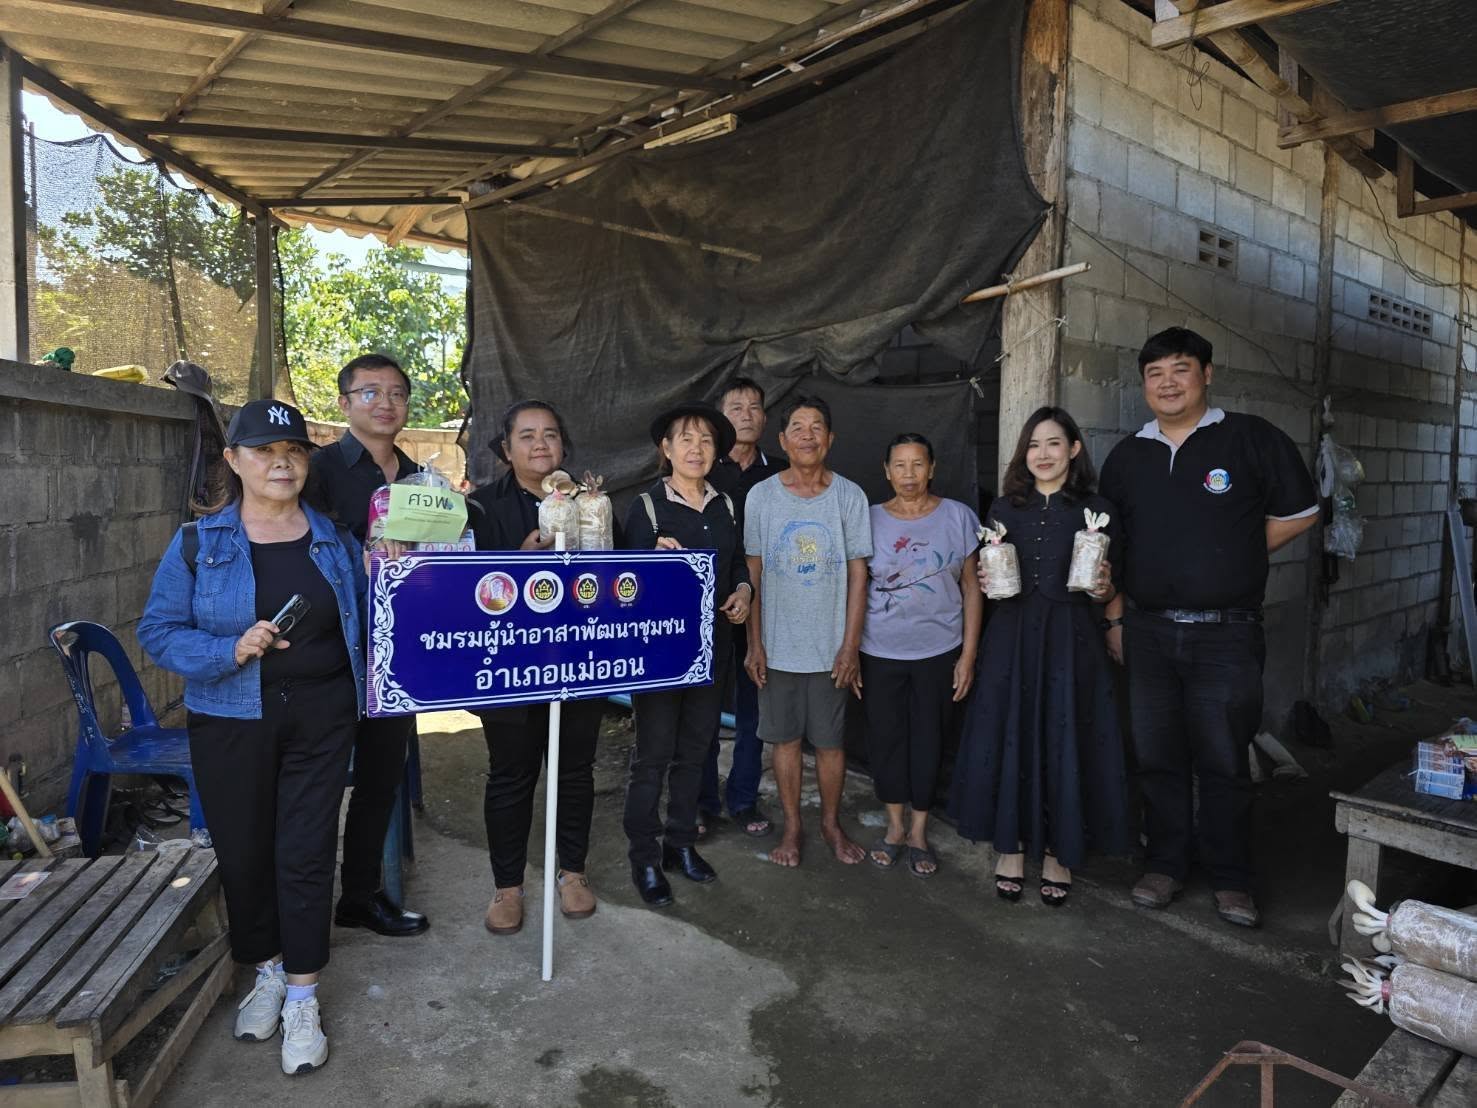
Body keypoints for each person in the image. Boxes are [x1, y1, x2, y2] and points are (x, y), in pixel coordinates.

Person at [138, 399, 366, 1075]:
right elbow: (157, 632)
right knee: (242, 852)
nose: (281, 462)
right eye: (264, 451)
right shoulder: (196, 544)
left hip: (322, 715)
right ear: (234, 462)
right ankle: (265, 968)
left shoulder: (336, 540)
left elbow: (372, 614)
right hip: (231, 717)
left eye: (293, 451)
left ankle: (302, 992)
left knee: (303, 850)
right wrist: (228, 649)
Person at [1099, 327, 1317, 929]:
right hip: (1146, 630)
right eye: (1155, 374)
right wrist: (1116, 617)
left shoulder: (1249, 439)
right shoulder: (1127, 456)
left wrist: (1240, 550)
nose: (1168, 383)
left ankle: (1231, 877)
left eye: (1180, 369)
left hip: (1226, 633)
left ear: (1207, 374)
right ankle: (1165, 863)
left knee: (1223, 758)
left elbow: (1302, 511)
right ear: (1143, 384)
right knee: (1157, 755)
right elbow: (1108, 547)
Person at [949, 408, 1128, 906]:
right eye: (1033, 445)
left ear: (1073, 449)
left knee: (1063, 735)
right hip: (1012, 638)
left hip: (1073, 641)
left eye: (1053, 444)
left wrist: (1106, 591)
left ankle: (1057, 852)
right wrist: (988, 581)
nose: (1042, 454)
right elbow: (987, 584)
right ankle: (1010, 849)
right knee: (1014, 734)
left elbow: (1111, 587)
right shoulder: (1005, 508)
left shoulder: (1098, 509)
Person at [468, 400, 605, 934]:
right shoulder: (480, 509)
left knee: (574, 772)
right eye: (526, 436)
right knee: (511, 775)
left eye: (550, 434)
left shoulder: (591, 504)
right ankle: (508, 885)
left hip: (579, 661)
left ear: (564, 447)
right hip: (508, 668)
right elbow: (468, 592)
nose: (540, 444)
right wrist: (518, 561)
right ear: (506, 449)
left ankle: (573, 873)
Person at [308, 353, 429, 938]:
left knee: (383, 773)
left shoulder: (420, 480)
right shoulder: (316, 470)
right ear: (344, 402)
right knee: (319, 779)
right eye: (370, 392)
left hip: (396, 650)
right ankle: (299, 908)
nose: (385, 403)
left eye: (398, 394)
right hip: (330, 648)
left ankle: (358, 894)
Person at [621, 404, 753, 905]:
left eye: (705, 441)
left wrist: (743, 592)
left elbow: (738, 561)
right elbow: (625, 586)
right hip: (658, 654)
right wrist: (652, 562)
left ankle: (680, 844)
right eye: (686, 440)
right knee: (651, 757)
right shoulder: (648, 508)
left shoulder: (726, 505)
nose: (696, 449)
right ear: (666, 449)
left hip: (711, 649)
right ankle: (645, 858)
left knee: (696, 752)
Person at [744, 394, 872, 867]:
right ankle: (794, 827)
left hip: (830, 648)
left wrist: (851, 645)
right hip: (777, 648)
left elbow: (860, 574)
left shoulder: (849, 496)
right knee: (785, 741)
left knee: (831, 743)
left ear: (830, 439)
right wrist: (754, 643)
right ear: (781, 439)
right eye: (797, 427)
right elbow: (751, 575)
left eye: (817, 426)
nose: (807, 434)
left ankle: (830, 824)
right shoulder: (761, 496)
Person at [860, 433, 982, 879]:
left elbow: (972, 586)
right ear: (886, 470)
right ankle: (894, 827)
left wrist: (968, 655)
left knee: (930, 739)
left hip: (939, 651)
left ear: (931, 468)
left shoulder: (959, 517)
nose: (908, 475)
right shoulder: (868, 518)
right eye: (899, 465)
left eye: (917, 465)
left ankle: (919, 831)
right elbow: (856, 585)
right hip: (880, 650)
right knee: (887, 740)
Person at [702, 376, 787, 838]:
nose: (748, 415)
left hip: (763, 605)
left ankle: (743, 799)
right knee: (704, 707)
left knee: (755, 704)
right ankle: (703, 802)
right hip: (709, 605)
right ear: (721, 419)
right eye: (737, 407)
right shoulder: (702, 471)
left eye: (756, 407)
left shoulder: (779, 474)